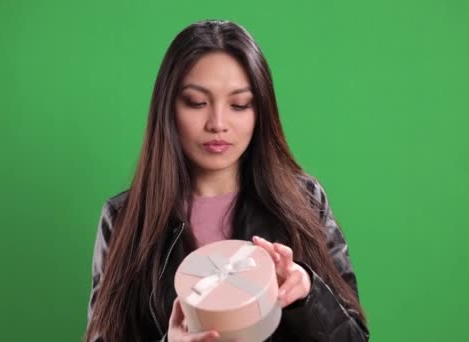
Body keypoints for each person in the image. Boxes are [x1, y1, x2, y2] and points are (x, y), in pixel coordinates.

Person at [85, 20, 369, 342]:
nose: (218, 124)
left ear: (259, 111)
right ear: (168, 108)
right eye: (197, 102)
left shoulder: (304, 201)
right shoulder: (124, 218)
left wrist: (306, 292)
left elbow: (354, 338)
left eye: (239, 105)